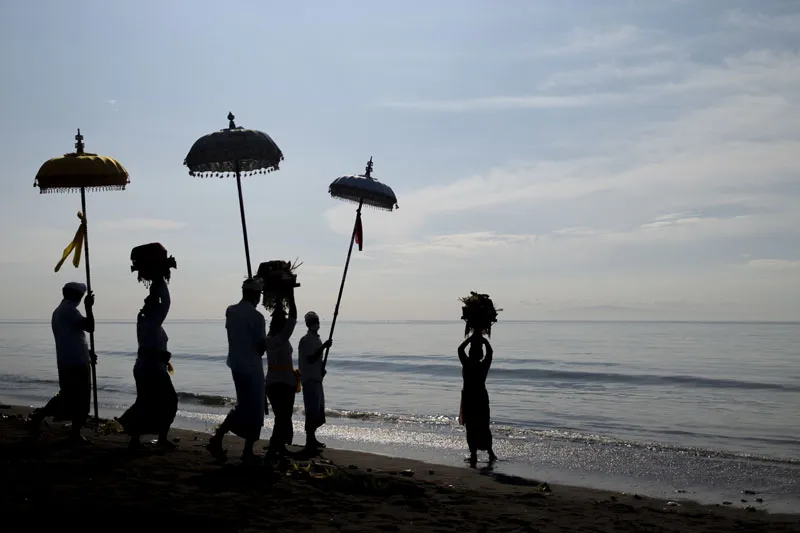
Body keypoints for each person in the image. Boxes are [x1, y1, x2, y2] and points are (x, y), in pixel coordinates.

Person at [207, 278, 268, 463]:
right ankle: (245, 450)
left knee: (244, 405)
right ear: (255, 295)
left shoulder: (231, 311)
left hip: (236, 365)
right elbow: (260, 349)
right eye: (259, 294)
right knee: (255, 409)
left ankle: (219, 438)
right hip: (251, 367)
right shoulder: (257, 318)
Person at [27, 282, 95, 444]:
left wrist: (88, 353)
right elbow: (90, 327)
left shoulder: (60, 311)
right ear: (75, 296)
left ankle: (39, 417)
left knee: (66, 395)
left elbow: (73, 337)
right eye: (80, 297)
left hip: (68, 360)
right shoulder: (69, 311)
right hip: (76, 363)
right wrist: (89, 307)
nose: (80, 299)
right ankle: (74, 433)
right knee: (80, 398)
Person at [117, 277, 178, 449]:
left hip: (145, 367)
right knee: (168, 402)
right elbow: (166, 302)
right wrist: (161, 283)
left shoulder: (144, 319)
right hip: (152, 369)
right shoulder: (151, 321)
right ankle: (160, 439)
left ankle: (136, 438)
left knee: (146, 402)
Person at [263, 285, 298, 463]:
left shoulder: (269, 340)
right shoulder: (279, 339)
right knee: (283, 417)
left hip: (274, 383)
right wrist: (291, 296)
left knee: (282, 417)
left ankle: (278, 446)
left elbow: (289, 320)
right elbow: (293, 318)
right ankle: (275, 446)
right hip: (282, 384)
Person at [458, 333, 497, 467]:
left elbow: (459, 349)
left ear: (470, 352)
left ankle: (474, 454)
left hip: (469, 398)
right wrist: (484, 341)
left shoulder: (466, 363)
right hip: (480, 398)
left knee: (471, 427)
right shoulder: (483, 365)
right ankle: (490, 452)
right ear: (481, 354)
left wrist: (469, 339)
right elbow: (490, 353)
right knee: (483, 425)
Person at [298, 311, 332, 450]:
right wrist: (323, 347)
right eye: (313, 322)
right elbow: (310, 359)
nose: (315, 324)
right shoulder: (305, 340)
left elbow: (316, 359)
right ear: (308, 324)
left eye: (316, 321)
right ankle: (309, 440)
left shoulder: (316, 339)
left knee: (318, 410)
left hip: (317, 378)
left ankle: (312, 438)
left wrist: (322, 367)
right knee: (311, 410)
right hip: (309, 379)